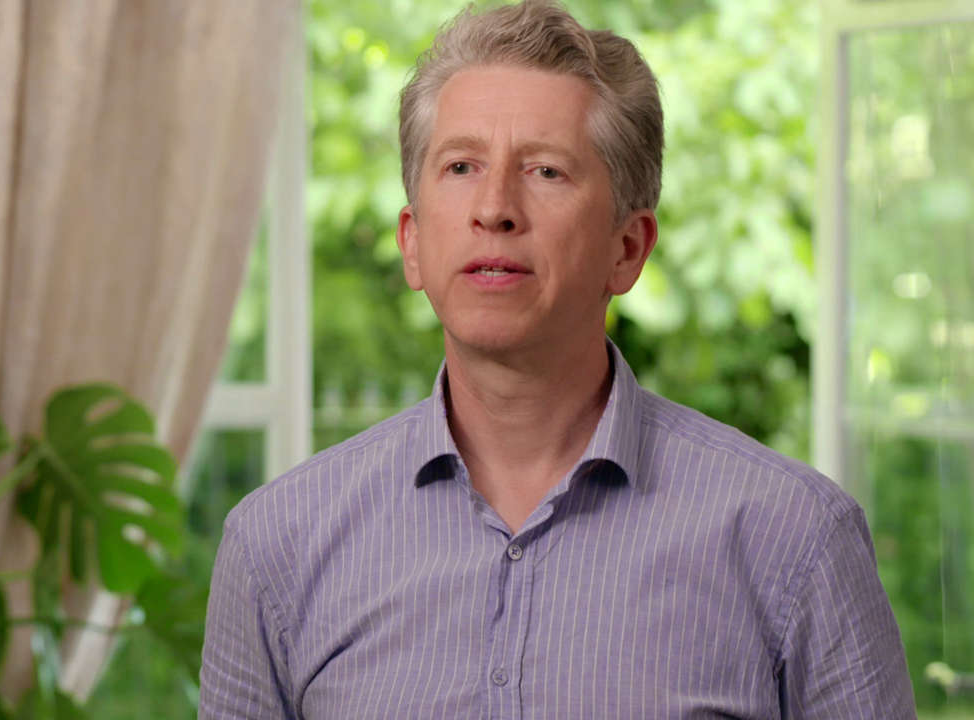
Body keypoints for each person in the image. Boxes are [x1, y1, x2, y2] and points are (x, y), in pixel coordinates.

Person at [199, 1, 915, 717]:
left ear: (627, 249)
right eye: (460, 166)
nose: (494, 209)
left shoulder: (796, 540)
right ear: (412, 243)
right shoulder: (275, 546)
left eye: (545, 170)